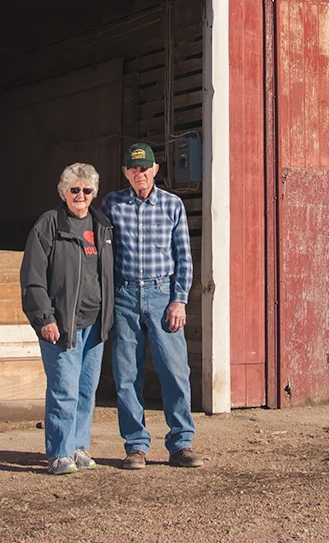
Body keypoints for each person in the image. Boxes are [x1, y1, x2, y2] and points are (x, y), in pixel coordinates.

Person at [101, 141, 203, 469]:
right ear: (125, 173)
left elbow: (183, 258)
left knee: (175, 371)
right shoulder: (111, 204)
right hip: (125, 296)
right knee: (127, 372)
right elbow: (103, 255)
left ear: (155, 170)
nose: (139, 174)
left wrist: (179, 301)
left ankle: (181, 443)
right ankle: (135, 445)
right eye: (133, 168)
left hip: (162, 296)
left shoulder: (173, 206)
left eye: (145, 168)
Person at [20, 162, 116, 475]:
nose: (80, 195)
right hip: (61, 325)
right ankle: (59, 452)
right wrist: (44, 318)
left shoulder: (102, 226)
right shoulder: (48, 225)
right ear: (63, 191)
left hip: (94, 324)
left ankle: (77, 446)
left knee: (87, 390)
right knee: (64, 388)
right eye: (74, 189)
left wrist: (108, 318)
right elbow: (33, 277)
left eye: (87, 190)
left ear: (94, 194)